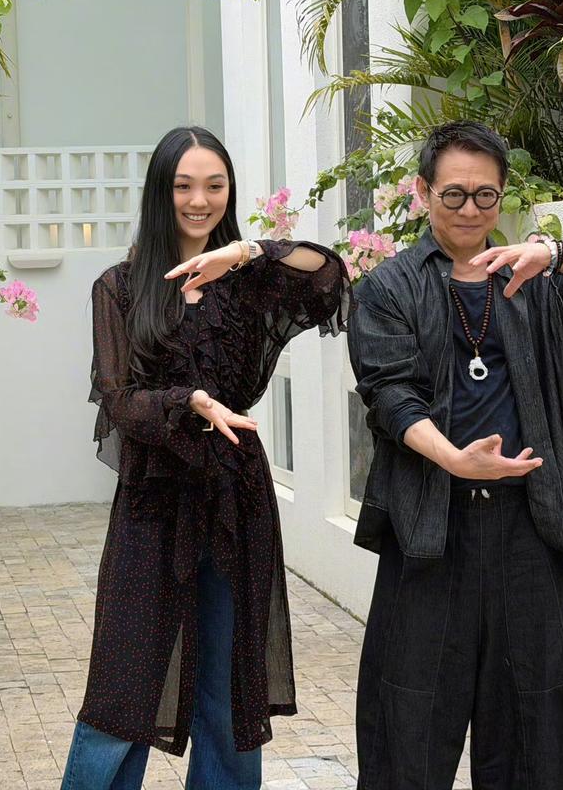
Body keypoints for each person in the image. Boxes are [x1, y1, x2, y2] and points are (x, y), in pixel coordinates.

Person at [347, 121, 563, 789]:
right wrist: (454, 459)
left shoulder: (535, 279)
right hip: (429, 530)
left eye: (485, 195)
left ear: (502, 195)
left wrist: (558, 256)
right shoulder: (389, 287)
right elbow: (390, 396)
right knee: (408, 728)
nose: (470, 210)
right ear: (423, 192)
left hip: (527, 528)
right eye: (453, 194)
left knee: (543, 735)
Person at [61, 125, 351, 790]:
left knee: (227, 686)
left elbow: (330, 275)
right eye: (183, 186)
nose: (199, 200)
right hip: (153, 500)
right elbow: (117, 399)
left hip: (233, 496)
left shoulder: (250, 284)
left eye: (214, 186)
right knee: (123, 687)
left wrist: (248, 252)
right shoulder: (120, 287)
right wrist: (189, 400)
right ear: (159, 193)